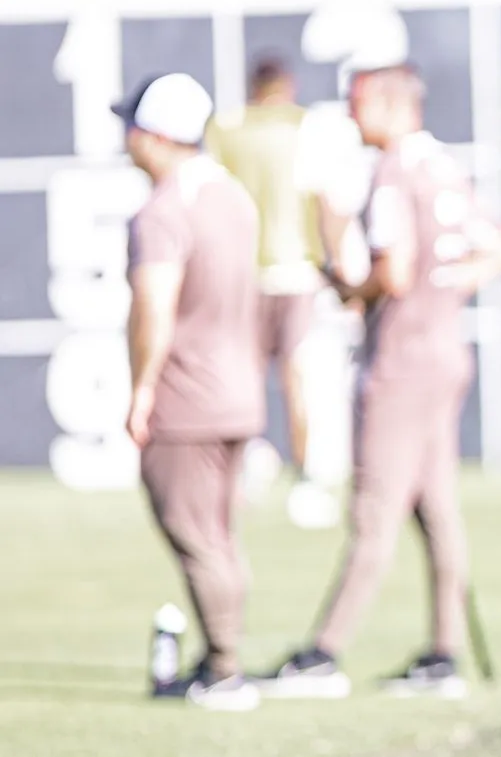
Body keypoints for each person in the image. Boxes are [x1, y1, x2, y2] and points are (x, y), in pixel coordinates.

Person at [255, 63, 501, 699]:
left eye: (358, 103)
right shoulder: (442, 167)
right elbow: (499, 250)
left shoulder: (396, 172)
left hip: (401, 366)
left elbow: (393, 273)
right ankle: (443, 655)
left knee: (373, 512)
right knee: (435, 512)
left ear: (391, 105)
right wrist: (443, 289)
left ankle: (323, 655)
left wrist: (351, 288)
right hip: (444, 355)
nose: (350, 116)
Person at [118, 72, 265, 711]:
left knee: (195, 536)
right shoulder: (231, 196)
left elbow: (154, 303)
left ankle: (226, 670)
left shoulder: (164, 209)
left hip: (187, 398)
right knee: (220, 536)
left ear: (154, 135)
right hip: (238, 392)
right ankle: (218, 659)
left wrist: (142, 388)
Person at [204, 55, 347, 526]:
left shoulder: (225, 130)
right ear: (286, 86)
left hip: (242, 272)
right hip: (296, 272)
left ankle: (247, 462)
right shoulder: (305, 128)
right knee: (296, 376)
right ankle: (304, 477)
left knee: (244, 374)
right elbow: (326, 201)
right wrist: (337, 262)